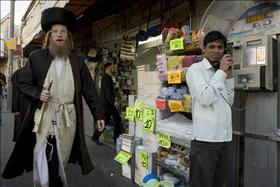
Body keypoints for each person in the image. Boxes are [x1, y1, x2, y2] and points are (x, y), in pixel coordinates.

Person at [2, 7, 105, 187]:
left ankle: (55, 178)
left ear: (68, 37)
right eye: (55, 31)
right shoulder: (37, 57)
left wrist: (99, 115)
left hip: (68, 118)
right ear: (49, 36)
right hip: (44, 117)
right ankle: (49, 181)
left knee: (61, 155)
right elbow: (24, 83)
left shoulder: (77, 61)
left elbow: (90, 90)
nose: (59, 35)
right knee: (44, 155)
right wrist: (38, 94)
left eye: (63, 31)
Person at [186, 31, 234, 187]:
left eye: (220, 47)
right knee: (201, 183)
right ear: (204, 49)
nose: (216, 50)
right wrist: (221, 72)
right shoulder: (195, 70)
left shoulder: (221, 72)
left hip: (225, 139)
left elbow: (230, 101)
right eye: (212, 46)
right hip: (205, 140)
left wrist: (229, 78)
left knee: (219, 183)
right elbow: (205, 98)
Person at [11, 45, 41, 142]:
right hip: (32, 107)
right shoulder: (40, 72)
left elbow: (15, 93)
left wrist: (16, 110)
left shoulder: (17, 73)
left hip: (25, 108)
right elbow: (16, 93)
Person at [92, 62, 122, 145]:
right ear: (108, 68)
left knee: (105, 121)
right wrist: (113, 102)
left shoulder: (106, 77)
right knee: (117, 119)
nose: (113, 68)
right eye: (112, 67)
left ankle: (95, 137)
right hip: (107, 104)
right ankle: (116, 138)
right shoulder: (106, 78)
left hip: (106, 103)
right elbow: (107, 92)